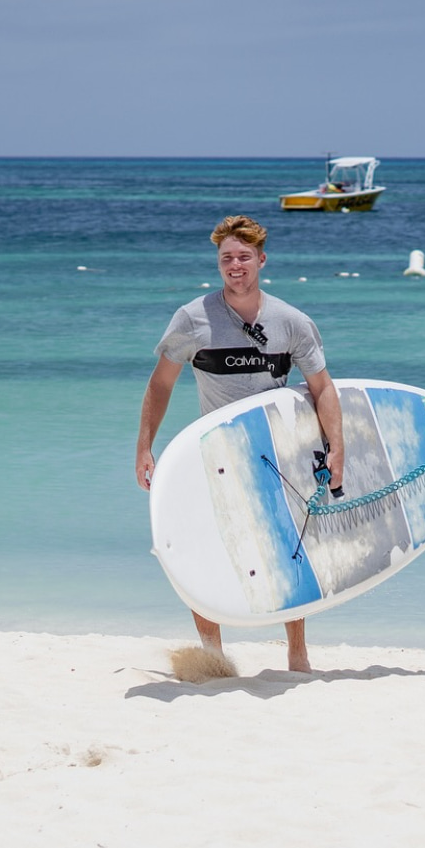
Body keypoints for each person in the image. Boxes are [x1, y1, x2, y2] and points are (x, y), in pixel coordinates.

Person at [136, 215, 344, 672]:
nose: (235, 265)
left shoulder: (292, 322)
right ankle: (213, 653)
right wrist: (145, 448)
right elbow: (160, 385)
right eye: (227, 257)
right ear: (218, 263)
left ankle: (297, 650)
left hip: (277, 454)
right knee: (198, 549)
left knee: (288, 549)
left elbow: (322, 388)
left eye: (244, 257)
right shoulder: (193, 319)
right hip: (213, 455)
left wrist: (337, 447)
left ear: (261, 261)